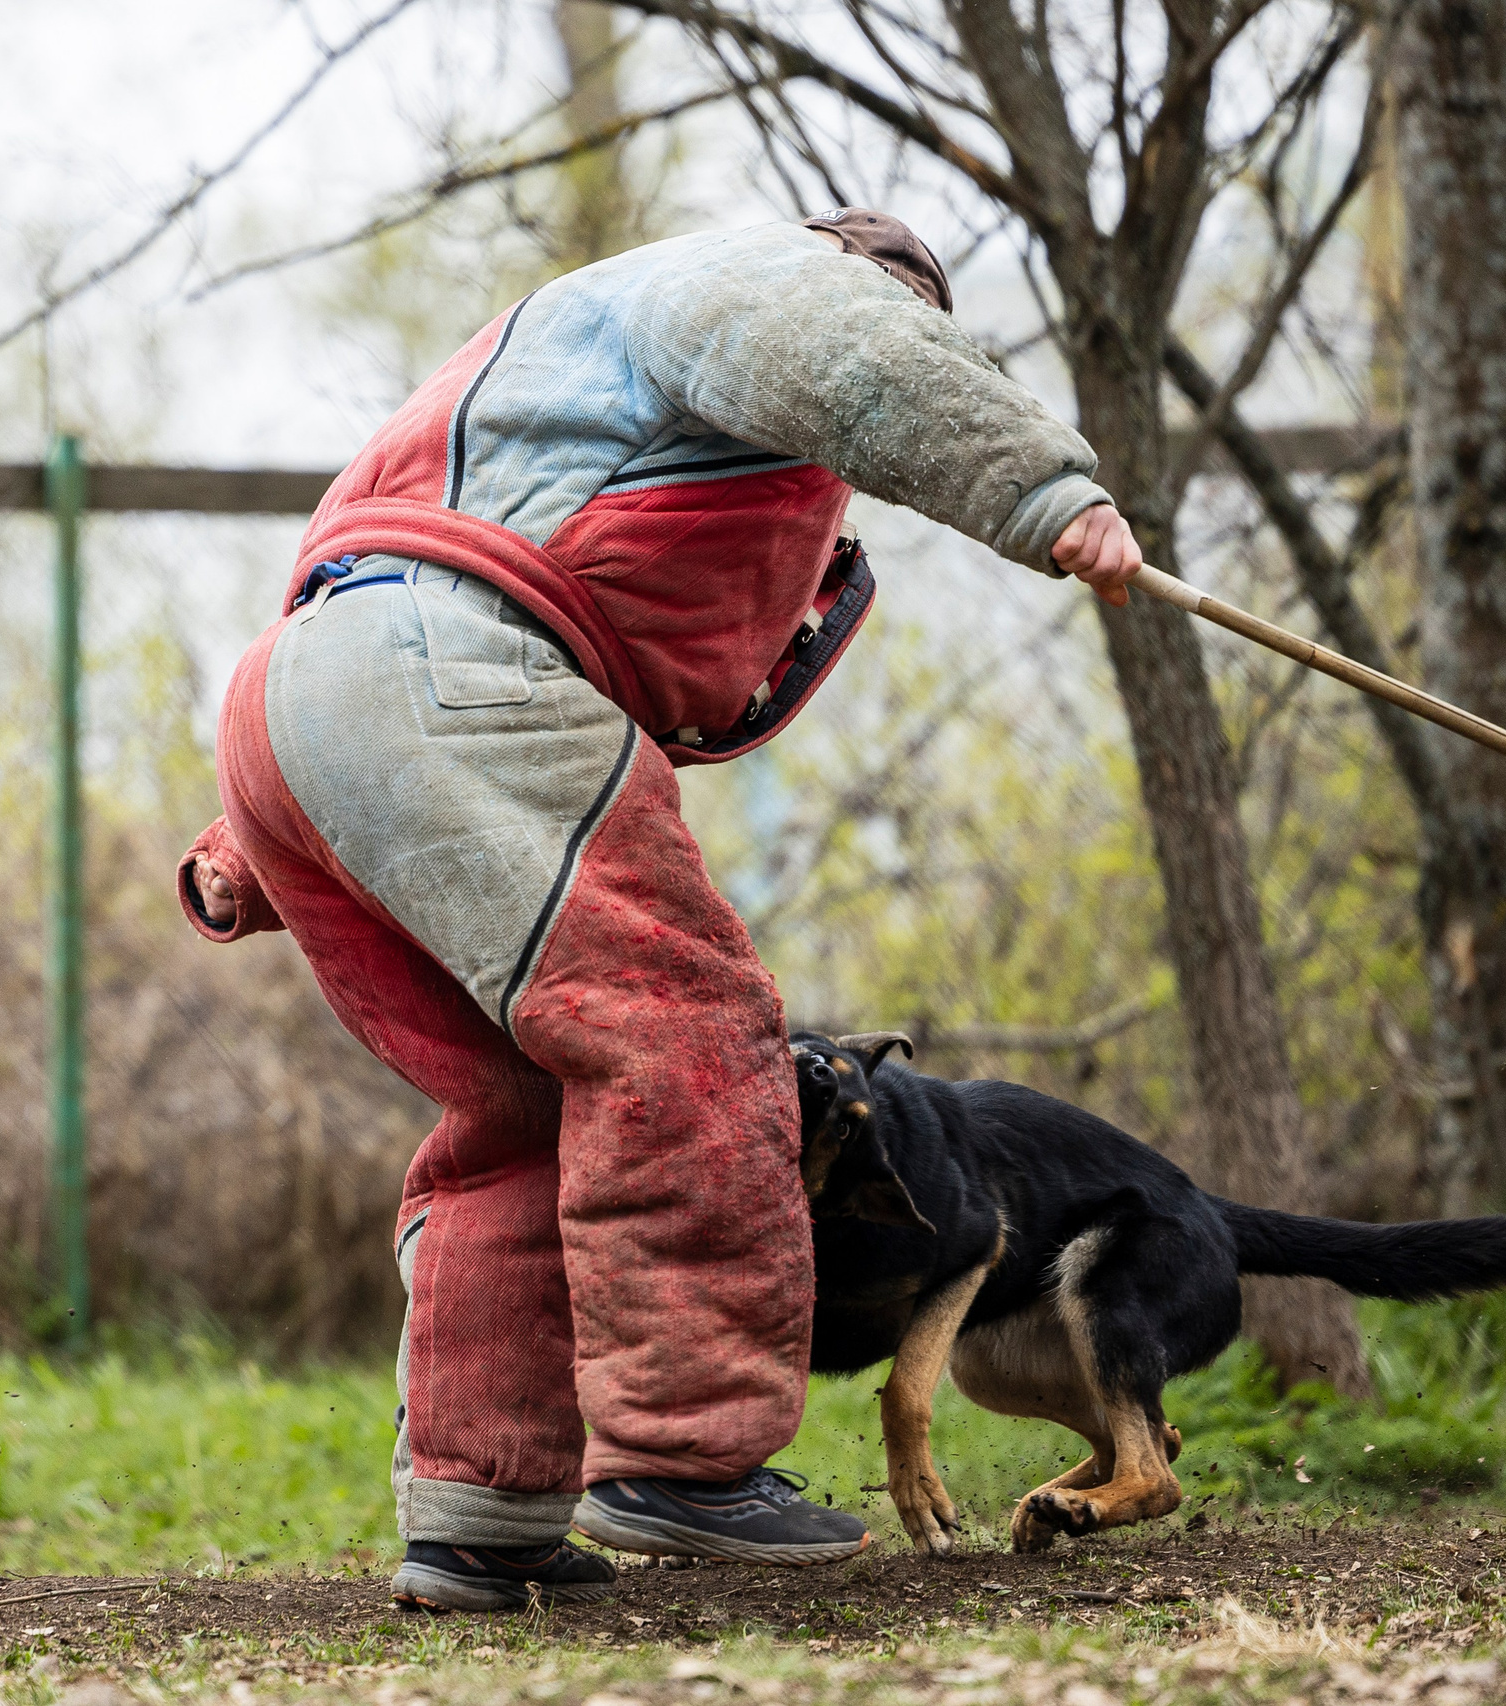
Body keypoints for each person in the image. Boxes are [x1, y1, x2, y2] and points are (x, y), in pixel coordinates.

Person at [178, 209, 1142, 1612]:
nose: (906, 351)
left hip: (308, 698)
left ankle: (477, 1516)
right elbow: (846, 347)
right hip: (448, 671)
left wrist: (258, 841)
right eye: (912, 322)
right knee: (680, 1021)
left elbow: (410, 592)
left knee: (523, 1108)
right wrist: (1046, 491)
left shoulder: (568, 378)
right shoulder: (756, 278)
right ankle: (684, 1458)